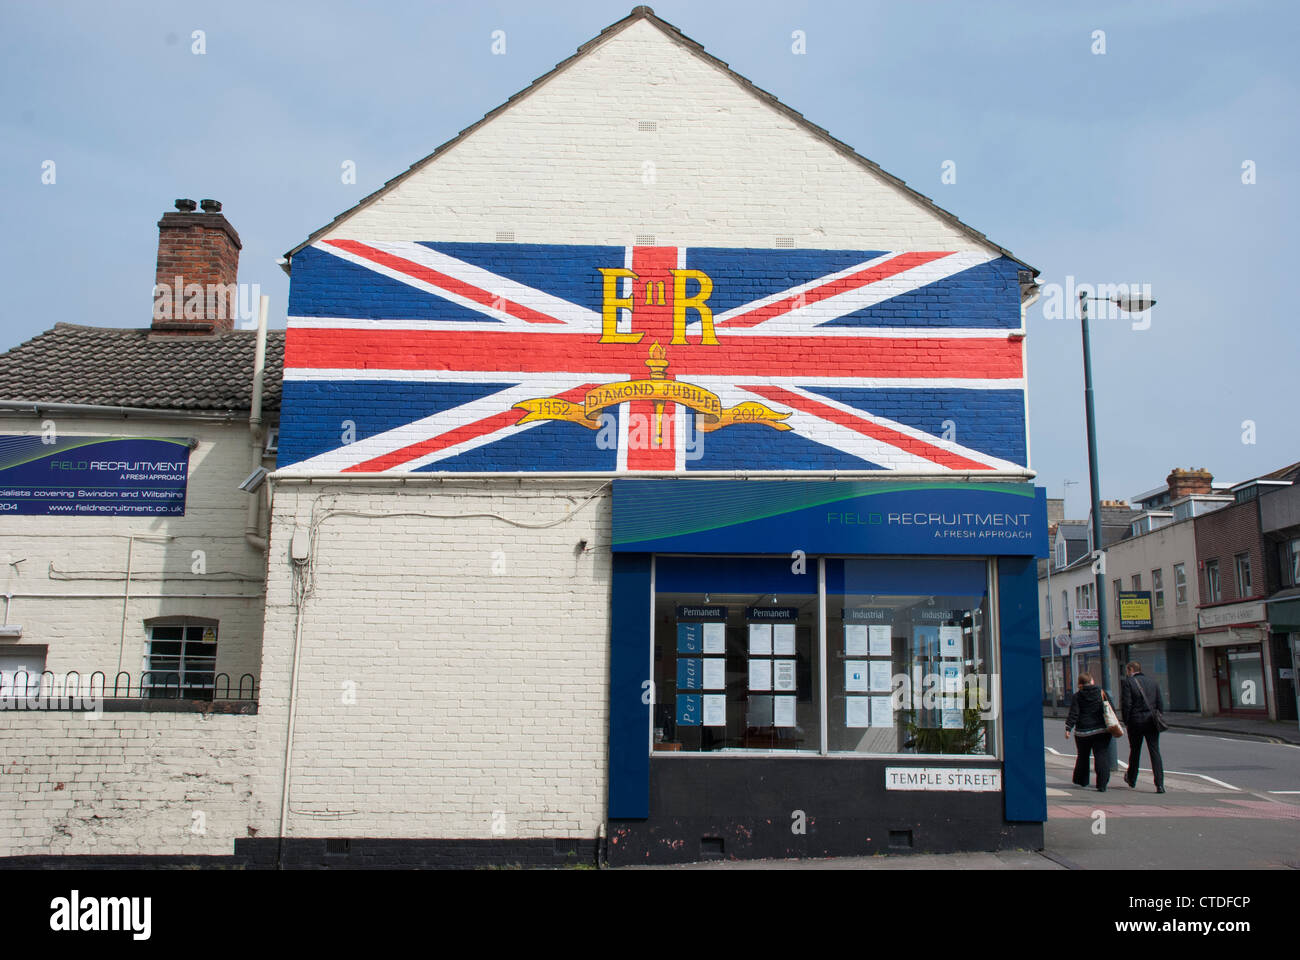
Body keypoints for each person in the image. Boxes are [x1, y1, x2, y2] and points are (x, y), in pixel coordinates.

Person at [1120, 661, 1165, 793]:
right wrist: (1159, 717)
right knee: (1155, 751)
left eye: (1127, 671)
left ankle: (1132, 779)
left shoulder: (1129, 683)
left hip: (1136, 721)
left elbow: (1126, 704)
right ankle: (1160, 784)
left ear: (1131, 669)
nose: (1127, 673)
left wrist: (1126, 721)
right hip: (1152, 721)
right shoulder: (1153, 682)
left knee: (1135, 751)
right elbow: (1159, 703)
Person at [1064, 673, 1112, 791]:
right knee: (1101, 755)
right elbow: (1110, 709)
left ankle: (1082, 780)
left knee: (1083, 756)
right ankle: (1102, 785)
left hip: (1083, 732)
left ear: (1080, 683)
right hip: (1101, 730)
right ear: (1092, 681)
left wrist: (1068, 728)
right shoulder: (1102, 693)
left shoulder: (1077, 696)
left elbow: (1074, 713)